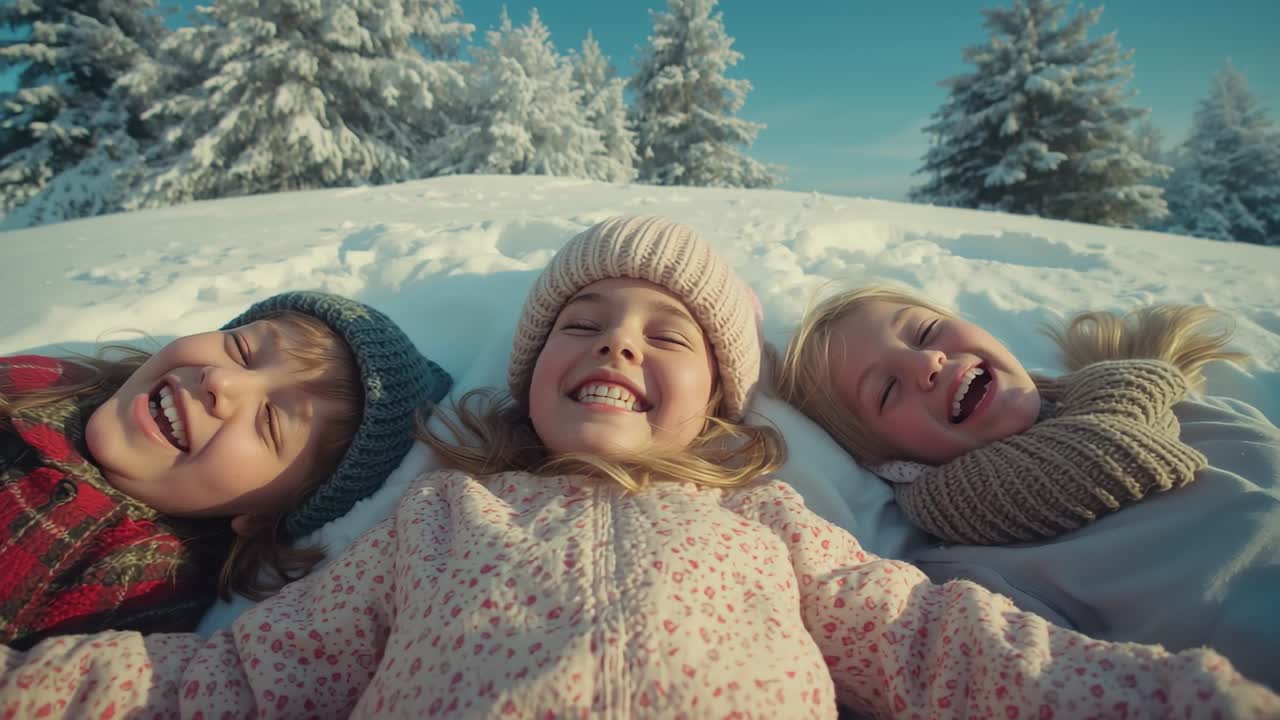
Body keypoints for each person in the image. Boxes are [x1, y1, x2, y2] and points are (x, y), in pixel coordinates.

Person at [0, 219, 1273, 718]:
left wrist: (1187, 701)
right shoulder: (441, 524)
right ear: (531, 370)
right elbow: (241, 673)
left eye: (666, 337)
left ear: (712, 407)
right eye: (580, 323)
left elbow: (941, 647)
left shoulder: (765, 524)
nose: (617, 341)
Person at [775, 284, 1280, 687]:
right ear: (889, 462)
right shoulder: (977, 575)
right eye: (886, 390)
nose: (924, 362)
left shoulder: (1178, 405)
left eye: (926, 331)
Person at [0, 291, 452, 649]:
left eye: (270, 421)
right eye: (241, 349)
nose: (222, 381)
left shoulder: (130, 581)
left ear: (259, 518)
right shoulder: (51, 377)